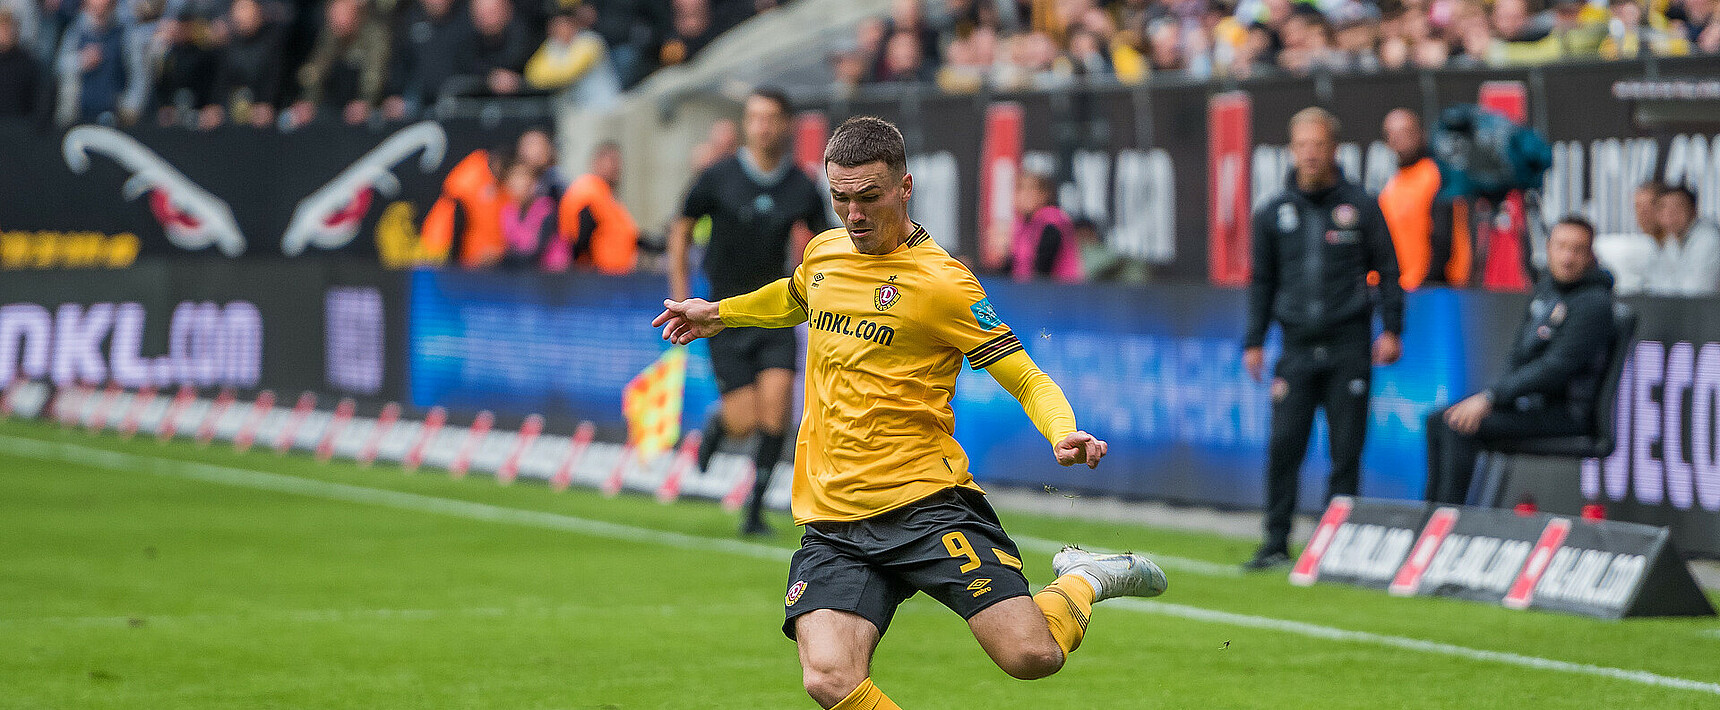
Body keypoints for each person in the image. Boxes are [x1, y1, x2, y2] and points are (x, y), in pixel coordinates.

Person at [652, 115, 1167, 710]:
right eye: (840, 198)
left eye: (869, 197)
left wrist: (1062, 428)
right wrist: (721, 312)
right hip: (835, 518)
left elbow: (1021, 371)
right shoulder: (826, 253)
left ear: (905, 187)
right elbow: (796, 294)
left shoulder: (943, 284)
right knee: (828, 676)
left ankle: (1084, 578)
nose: (854, 214)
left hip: (924, 505)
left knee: (1031, 657)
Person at [1242, 106, 1403, 571]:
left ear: (1335, 149)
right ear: (1291, 150)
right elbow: (1262, 282)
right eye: (1302, 145)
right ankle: (1275, 541)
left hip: (1349, 344)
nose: (1311, 154)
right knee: (1284, 445)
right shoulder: (1273, 211)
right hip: (1294, 347)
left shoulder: (1362, 206)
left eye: (1319, 145)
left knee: (1346, 449)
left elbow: (1389, 270)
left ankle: (1339, 545)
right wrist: (1254, 339)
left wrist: (1392, 328)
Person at [667, 87, 831, 536]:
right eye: (754, 117)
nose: (762, 126)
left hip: (775, 311)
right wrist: (682, 294)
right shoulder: (718, 177)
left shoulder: (801, 184)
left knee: (777, 414)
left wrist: (816, 290)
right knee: (745, 421)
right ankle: (720, 424)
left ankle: (754, 511)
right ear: (746, 124)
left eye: (771, 118)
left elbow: (826, 247)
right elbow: (680, 229)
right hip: (719, 313)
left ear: (786, 125)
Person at [1425, 217, 1615, 504]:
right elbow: (1517, 356)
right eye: (1562, 247)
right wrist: (1496, 398)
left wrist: (1491, 397)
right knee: (1440, 419)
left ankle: (1450, 521)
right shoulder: (1546, 292)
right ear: (1548, 248)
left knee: (1459, 427)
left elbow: (1554, 369)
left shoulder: (1595, 304)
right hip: (1527, 405)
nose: (1567, 257)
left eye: (1577, 250)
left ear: (1590, 256)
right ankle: (1430, 518)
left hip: (1565, 415)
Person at [1377, 107, 1469, 290]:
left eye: (1405, 132)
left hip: (1432, 288)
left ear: (1421, 135)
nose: (1398, 139)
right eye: (1391, 134)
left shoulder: (1436, 176)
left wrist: (1429, 283)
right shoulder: (1393, 183)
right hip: (1400, 286)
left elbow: (1443, 238)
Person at [287, 0, 389, 128]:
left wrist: (365, 101)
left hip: (366, 106)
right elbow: (316, 70)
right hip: (333, 104)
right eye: (333, 15)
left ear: (355, 14)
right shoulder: (330, 35)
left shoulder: (373, 34)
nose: (337, 20)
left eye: (342, 14)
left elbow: (374, 72)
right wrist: (308, 100)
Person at [552, 141, 638, 274]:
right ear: (596, 162)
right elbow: (582, 236)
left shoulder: (605, 194)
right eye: (612, 161)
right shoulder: (589, 191)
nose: (617, 167)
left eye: (618, 162)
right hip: (597, 276)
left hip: (615, 274)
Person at [1010, 167, 1083, 283]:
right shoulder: (1021, 224)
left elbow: (1043, 267)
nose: (1023, 195)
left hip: (1059, 292)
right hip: (1026, 291)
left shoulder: (1052, 220)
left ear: (1044, 195)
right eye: (1019, 189)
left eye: (1030, 190)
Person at [1646, 184, 1720, 296]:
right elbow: (1657, 285)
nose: (1669, 215)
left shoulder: (1708, 239)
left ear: (1693, 210)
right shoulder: (1671, 241)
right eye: (1663, 209)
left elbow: (1697, 291)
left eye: (1676, 209)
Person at [1594, 180, 1665, 296]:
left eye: (1651, 204)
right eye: (1638, 206)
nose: (1643, 212)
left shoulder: (1676, 248)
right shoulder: (1639, 249)